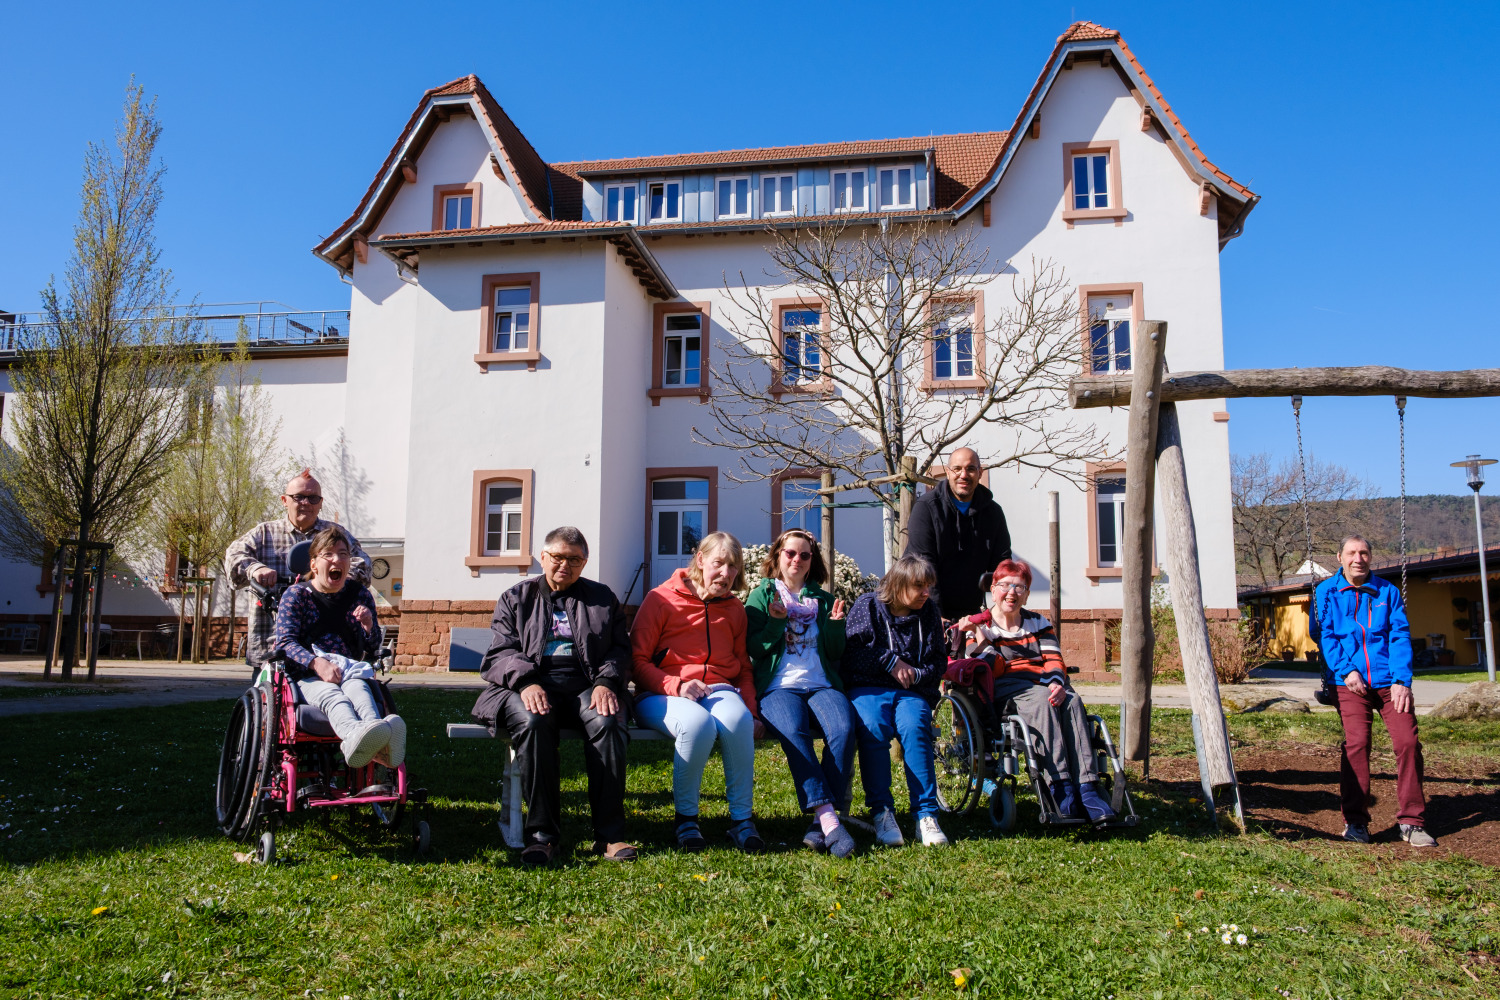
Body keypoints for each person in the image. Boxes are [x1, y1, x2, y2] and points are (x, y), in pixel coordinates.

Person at [470, 527, 636, 866]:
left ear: (584, 562)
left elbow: (621, 649)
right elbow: (501, 652)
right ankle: (542, 835)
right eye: (558, 557)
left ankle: (609, 835)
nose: (565, 565)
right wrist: (527, 682)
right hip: (530, 684)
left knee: (608, 721)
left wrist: (606, 681)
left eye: (574, 559)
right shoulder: (516, 598)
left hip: (586, 683)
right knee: (533, 720)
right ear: (543, 558)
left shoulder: (602, 598)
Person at [954, 559, 1115, 823]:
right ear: (993, 589)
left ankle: (1088, 788)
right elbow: (993, 670)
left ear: (1027, 594)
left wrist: (1057, 682)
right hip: (1006, 689)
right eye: (1005, 585)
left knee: (1072, 701)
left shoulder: (1038, 622)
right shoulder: (978, 624)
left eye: (1020, 587)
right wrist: (982, 639)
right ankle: (1060, 785)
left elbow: (1054, 658)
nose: (1012, 592)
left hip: (1043, 684)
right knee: (1042, 701)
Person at [631, 532, 764, 853]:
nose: (726, 573)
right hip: (659, 695)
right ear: (700, 560)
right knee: (696, 724)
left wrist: (753, 711)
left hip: (719, 689)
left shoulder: (734, 609)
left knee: (739, 721)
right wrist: (675, 685)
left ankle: (742, 821)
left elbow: (743, 668)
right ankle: (686, 819)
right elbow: (637, 661)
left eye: (733, 566)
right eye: (719, 563)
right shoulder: (661, 599)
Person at [1312, 535, 1435, 847]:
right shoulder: (1326, 592)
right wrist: (1346, 670)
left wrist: (1401, 680)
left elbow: (1400, 635)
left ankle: (1412, 821)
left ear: (1370, 557)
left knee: (1408, 742)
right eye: (1352, 553)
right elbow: (1325, 635)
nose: (1358, 559)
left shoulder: (1387, 591)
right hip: (1348, 682)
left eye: (1364, 553)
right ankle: (1355, 821)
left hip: (1388, 682)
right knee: (1357, 744)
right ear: (1339, 556)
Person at [744, 529, 857, 858]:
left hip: (821, 684)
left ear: (812, 561)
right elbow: (754, 649)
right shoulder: (762, 596)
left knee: (843, 728)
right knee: (794, 733)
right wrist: (776, 623)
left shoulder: (821, 600)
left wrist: (836, 625)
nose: (796, 559)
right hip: (778, 686)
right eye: (790, 553)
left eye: (804, 555)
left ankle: (818, 823)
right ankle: (830, 821)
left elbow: (835, 650)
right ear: (778, 556)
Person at [271, 524, 403, 771]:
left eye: (343, 554)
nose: (337, 559)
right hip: (308, 675)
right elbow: (285, 642)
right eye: (328, 554)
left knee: (360, 693)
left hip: (349, 669)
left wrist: (368, 625)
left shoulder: (360, 594)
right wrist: (316, 663)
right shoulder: (296, 596)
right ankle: (354, 737)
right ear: (313, 564)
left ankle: (379, 738)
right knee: (335, 698)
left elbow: (373, 645)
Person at [843, 555, 949, 847]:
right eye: (919, 586)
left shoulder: (928, 612)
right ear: (899, 584)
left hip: (912, 691)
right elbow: (851, 651)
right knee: (873, 729)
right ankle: (882, 812)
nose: (926, 592)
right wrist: (890, 661)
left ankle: (926, 815)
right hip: (868, 687)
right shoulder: (868, 605)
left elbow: (938, 661)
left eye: (929, 586)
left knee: (916, 730)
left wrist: (915, 672)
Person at [227, 469, 371, 671]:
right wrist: (255, 568)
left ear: (320, 503)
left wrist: (335, 575)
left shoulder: (335, 535)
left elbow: (363, 564)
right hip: (271, 641)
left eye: (313, 498)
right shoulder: (264, 533)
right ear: (284, 500)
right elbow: (233, 556)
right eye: (299, 497)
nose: (306, 503)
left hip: (328, 649)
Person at [903, 447, 1011, 621]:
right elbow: (923, 566)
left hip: (970, 612)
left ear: (980, 472)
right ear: (947, 472)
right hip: (922, 609)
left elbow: (1002, 566)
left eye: (970, 469)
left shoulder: (993, 513)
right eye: (957, 469)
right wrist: (935, 616)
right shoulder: (926, 508)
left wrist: (1003, 609)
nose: (963, 475)